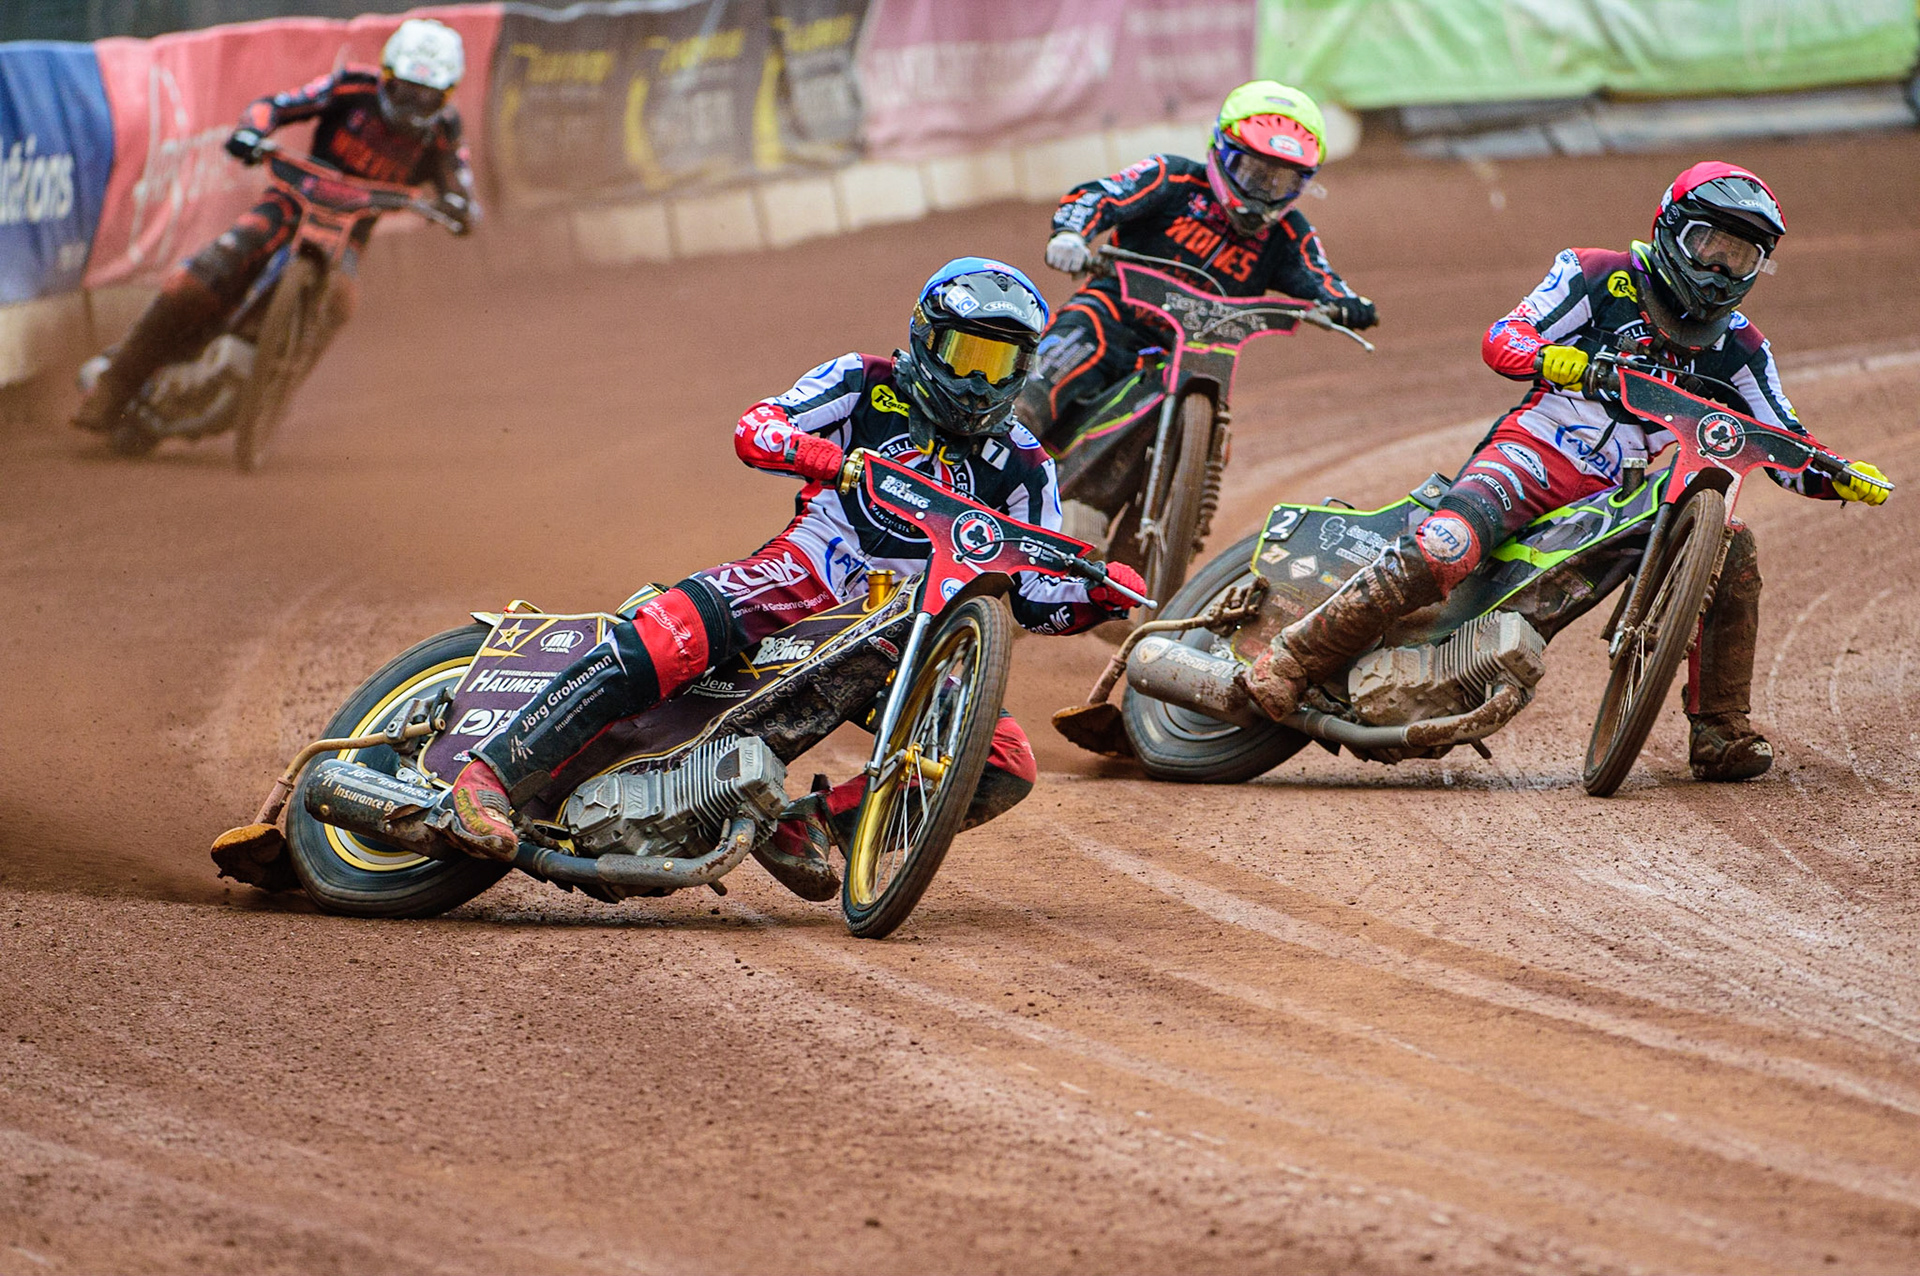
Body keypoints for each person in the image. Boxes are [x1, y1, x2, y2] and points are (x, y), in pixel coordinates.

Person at [438, 259, 1147, 899]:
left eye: (1001, 363)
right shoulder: (863, 382)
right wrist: (829, 460)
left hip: (906, 633)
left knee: (1004, 761)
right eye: (967, 355)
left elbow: (1036, 595)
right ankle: (487, 776)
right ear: (927, 340)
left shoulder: (1025, 464)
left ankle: (815, 828)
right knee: (672, 633)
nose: (979, 381)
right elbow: (757, 429)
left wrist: (1097, 593)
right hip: (808, 573)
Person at [1242, 161, 1891, 782]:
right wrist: (1554, 359)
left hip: (1620, 494)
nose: (1721, 269)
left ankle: (1719, 731)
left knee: (1729, 542)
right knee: (1448, 545)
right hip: (1533, 452)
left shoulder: (1743, 349)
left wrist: (1838, 474)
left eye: (1742, 256)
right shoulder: (1596, 275)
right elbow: (1504, 337)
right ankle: (1294, 658)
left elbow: (1784, 443)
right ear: (1671, 228)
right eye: (1710, 245)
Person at [72, 18, 477, 434]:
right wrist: (252, 132)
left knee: (341, 300)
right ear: (387, 75)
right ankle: (113, 385)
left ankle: (277, 391)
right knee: (191, 283)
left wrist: (460, 205)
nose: (414, 104)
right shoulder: (352, 86)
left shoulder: (444, 130)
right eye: (406, 89)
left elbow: (459, 177)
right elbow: (278, 105)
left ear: (447, 94)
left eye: (428, 95)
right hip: (289, 203)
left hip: (350, 231)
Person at [1022, 79, 1376, 528]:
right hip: (1107, 320)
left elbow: (1320, 275)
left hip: (1191, 355)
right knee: (1027, 404)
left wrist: (1346, 303)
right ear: (1221, 152)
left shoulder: (1287, 233)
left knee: (1214, 439)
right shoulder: (1172, 179)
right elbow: (1099, 194)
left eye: (1281, 181)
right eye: (1253, 172)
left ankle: (1169, 523)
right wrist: (1071, 235)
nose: (1262, 192)